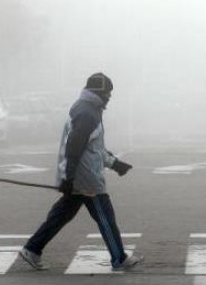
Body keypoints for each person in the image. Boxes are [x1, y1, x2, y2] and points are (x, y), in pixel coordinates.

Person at [20, 72, 144, 270]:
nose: (110, 97)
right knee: (106, 217)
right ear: (99, 92)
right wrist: (69, 178)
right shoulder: (88, 113)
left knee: (61, 215)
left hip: (80, 176)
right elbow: (74, 148)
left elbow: (94, 149)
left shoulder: (88, 109)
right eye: (108, 93)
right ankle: (119, 258)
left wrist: (115, 164)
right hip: (86, 180)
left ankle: (32, 249)